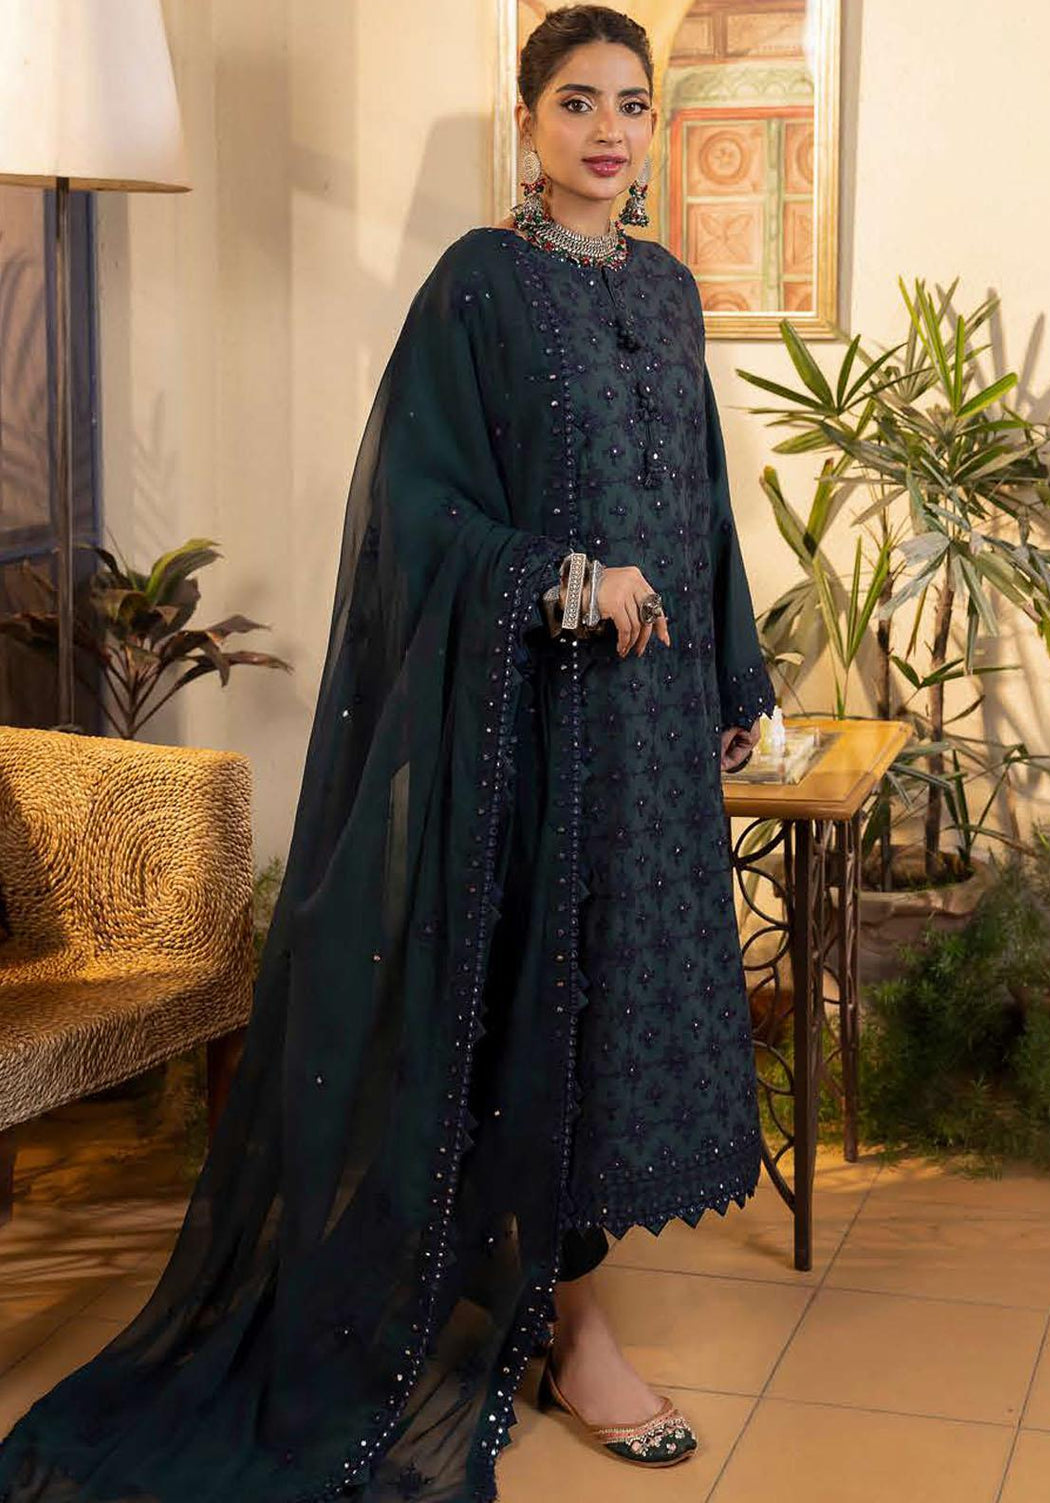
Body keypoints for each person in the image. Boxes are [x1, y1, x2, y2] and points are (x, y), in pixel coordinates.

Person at [0, 6, 774, 1499]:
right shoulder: (480, 285)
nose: (608, 131)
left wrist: (735, 670)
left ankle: (559, 1305)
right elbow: (416, 513)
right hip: (537, 723)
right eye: (576, 103)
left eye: (630, 104)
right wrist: (567, 580)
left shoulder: (670, 291)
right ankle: (574, 1329)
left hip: (656, 727)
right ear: (526, 122)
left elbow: (703, 497)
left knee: (613, 1009)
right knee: (540, 1008)